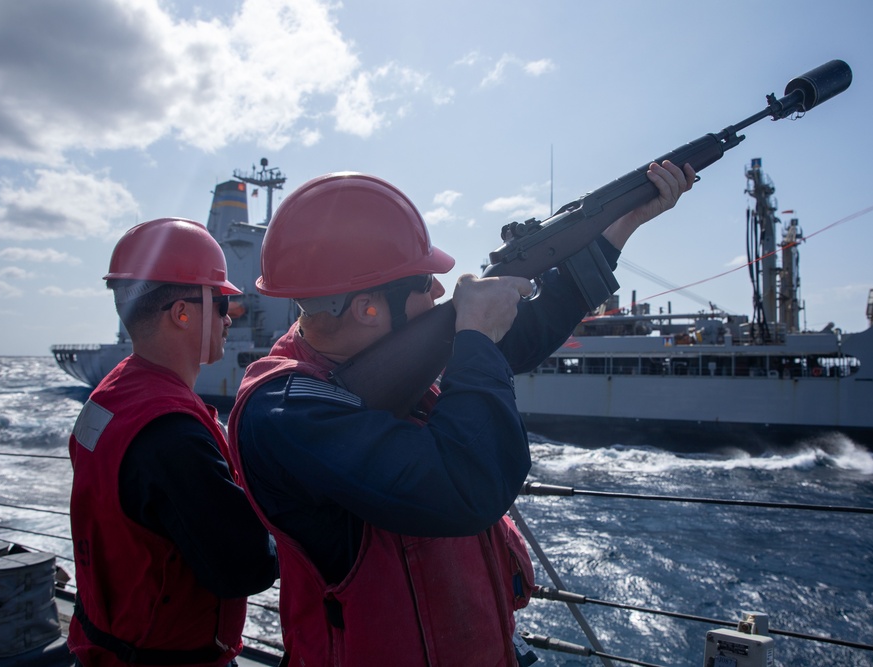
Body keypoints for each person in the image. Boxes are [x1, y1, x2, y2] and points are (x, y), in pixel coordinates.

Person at [227, 162, 694, 666]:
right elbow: (468, 484)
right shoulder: (285, 412)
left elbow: (522, 337)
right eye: (424, 281)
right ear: (367, 308)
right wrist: (472, 336)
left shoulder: (382, 356)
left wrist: (617, 228)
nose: (438, 293)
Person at [68, 218, 278, 667]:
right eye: (222, 304)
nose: (229, 317)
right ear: (182, 313)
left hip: (104, 644)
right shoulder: (172, 435)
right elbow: (246, 566)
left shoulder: (109, 395)